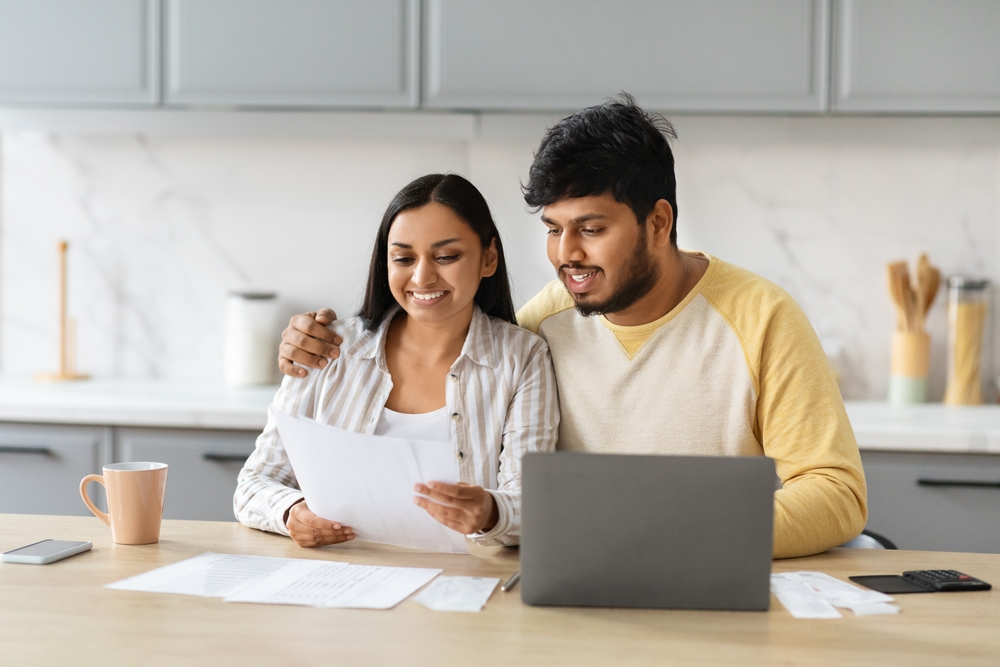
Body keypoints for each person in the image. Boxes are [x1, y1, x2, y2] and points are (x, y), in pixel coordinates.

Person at [276, 96, 867, 559]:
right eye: (554, 228)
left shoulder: (762, 319)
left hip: (717, 582)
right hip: (583, 590)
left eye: (591, 228)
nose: (566, 254)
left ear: (658, 221)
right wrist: (310, 341)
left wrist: (678, 535)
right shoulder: (545, 325)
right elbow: (443, 349)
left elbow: (836, 494)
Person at [235, 173, 558, 548]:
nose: (422, 277)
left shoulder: (524, 358)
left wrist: (490, 513)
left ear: (488, 259)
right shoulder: (326, 347)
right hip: (340, 580)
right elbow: (252, 485)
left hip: (462, 586)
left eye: (446, 257)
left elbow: (530, 506)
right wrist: (291, 512)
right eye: (404, 258)